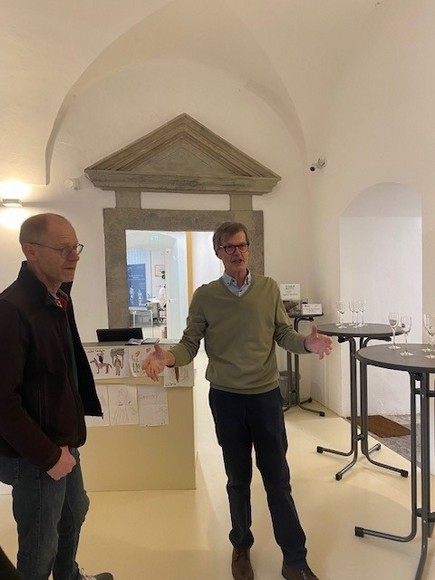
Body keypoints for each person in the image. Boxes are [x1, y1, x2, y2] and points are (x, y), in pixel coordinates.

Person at [143, 222, 332, 580]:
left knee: (278, 479)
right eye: (229, 247)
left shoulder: (268, 288)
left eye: (242, 245)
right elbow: (189, 344)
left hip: (265, 398)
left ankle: (295, 559)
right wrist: (167, 357)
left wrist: (306, 344)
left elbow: (283, 333)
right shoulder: (205, 296)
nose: (237, 252)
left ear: (249, 248)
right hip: (227, 399)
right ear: (218, 252)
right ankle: (241, 545)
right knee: (238, 478)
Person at [0, 213, 113, 580]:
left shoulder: (58, 298)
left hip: (63, 442)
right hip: (35, 453)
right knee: (40, 545)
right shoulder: (11, 310)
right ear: (30, 251)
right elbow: (2, 402)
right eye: (63, 249)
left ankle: (69, 575)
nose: (74, 256)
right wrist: (49, 457)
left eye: (76, 247)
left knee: (75, 511)